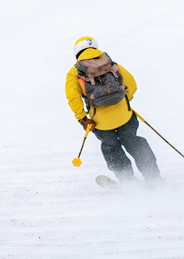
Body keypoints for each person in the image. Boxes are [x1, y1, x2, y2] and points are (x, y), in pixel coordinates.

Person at [65, 36, 161, 184]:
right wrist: (123, 102)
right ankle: (153, 178)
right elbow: (132, 84)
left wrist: (82, 118)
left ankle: (128, 181)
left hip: (100, 123)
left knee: (111, 147)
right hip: (125, 116)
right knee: (134, 142)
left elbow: (73, 98)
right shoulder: (109, 63)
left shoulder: (74, 72)